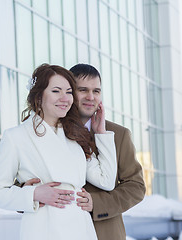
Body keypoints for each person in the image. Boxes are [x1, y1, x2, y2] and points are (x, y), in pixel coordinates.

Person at [0, 63, 117, 240]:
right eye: (56, 91)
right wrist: (34, 194)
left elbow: (107, 180)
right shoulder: (16, 137)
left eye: (69, 92)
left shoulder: (75, 134)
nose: (65, 98)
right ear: (39, 96)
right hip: (44, 228)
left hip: (81, 228)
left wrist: (101, 133)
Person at [70, 63, 146, 240]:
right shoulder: (50, 132)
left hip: (105, 233)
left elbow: (136, 187)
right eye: (83, 90)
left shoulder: (119, 134)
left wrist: (96, 203)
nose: (91, 97)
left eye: (96, 91)